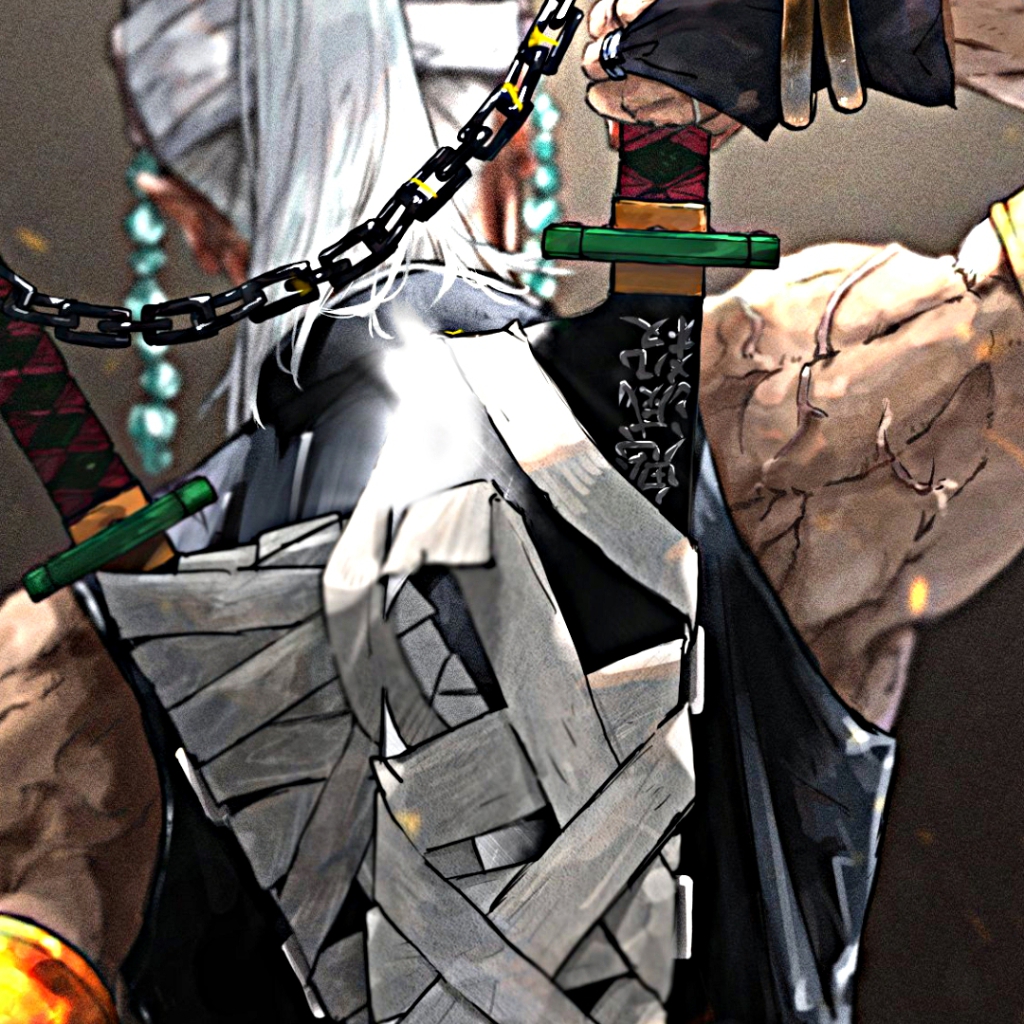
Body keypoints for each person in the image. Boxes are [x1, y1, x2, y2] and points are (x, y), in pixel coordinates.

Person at [1, 3, 1023, 1024]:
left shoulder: (56, 680)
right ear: (521, 145)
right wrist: (843, 23)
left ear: (190, 218)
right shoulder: (786, 410)